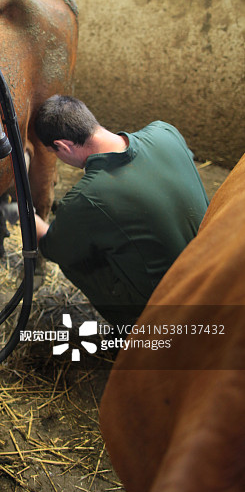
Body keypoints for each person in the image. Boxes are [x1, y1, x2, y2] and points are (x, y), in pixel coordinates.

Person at [33, 95, 209, 329]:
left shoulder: (85, 199)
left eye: (55, 152)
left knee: (76, 258)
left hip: (172, 304)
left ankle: (134, 325)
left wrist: (24, 215)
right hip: (213, 266)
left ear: (63, 146)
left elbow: (53, 248)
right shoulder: (164, 131)